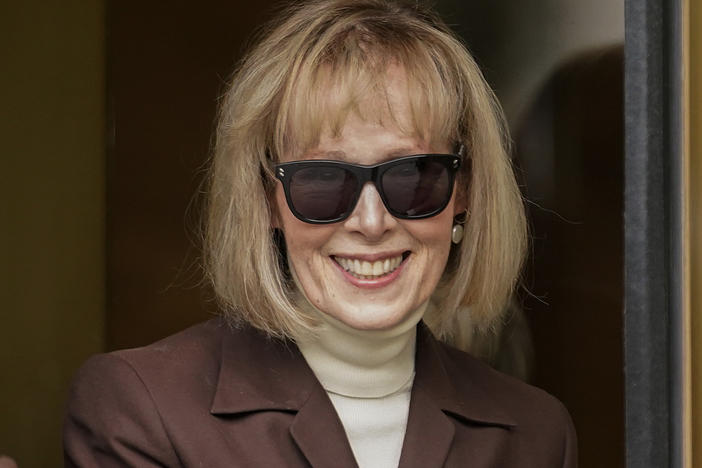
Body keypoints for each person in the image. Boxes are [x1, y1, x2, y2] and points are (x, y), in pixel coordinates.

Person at [63, 0, 577, 466]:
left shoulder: (536, 435)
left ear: (462, 192)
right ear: (267, 200)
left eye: (413, 177)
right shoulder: (142, 409)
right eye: (322, 183)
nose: (371, 223)